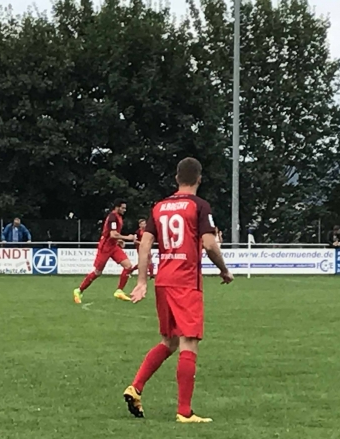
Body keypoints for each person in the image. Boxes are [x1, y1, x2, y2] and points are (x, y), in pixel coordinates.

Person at [124, 158, 233, 424]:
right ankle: (184, 411)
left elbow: (145, 245)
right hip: (186, 282)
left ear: (176, 178)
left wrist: (142, 281)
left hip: (163, 280)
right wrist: (224, 269)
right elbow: (209, 244)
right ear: (199, 179)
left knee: (169, 341)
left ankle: (135, 387)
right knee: (189, 342)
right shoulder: (199, 206)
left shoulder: (159, 207)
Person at [74, 199, 136, 303]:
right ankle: (79, 290)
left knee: (128, 266)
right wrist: (127, 237)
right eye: (123, 208)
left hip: (113, 246)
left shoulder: (118, 217)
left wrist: (118, 240)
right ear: (117, 207)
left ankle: (119, 291)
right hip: (105, 247)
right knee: (98, 272)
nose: (125, 210)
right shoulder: (112, 217)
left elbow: (113, 234)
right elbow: (113, 234)